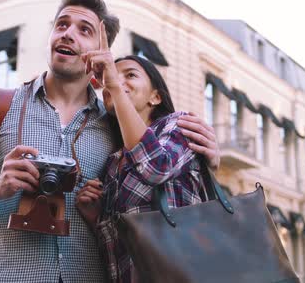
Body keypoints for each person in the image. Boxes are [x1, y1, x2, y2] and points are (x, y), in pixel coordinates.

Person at [0, 0, 219, 283]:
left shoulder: (117, 126)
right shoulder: (0, 107)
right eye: (62, 25)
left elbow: (155, 177)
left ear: (101, 52)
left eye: (84, 30)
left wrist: (207, 161)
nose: (68, 34)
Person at [76, 49, 214, 282]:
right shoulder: (112, 162)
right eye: (112, 77)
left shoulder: (178, 125)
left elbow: (156, 168)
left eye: (129, 75)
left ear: (155, 97)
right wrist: (95, 218)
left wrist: (116, 87)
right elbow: (115, 249)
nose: (116, 81)